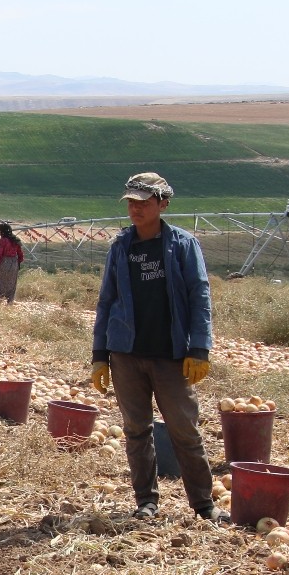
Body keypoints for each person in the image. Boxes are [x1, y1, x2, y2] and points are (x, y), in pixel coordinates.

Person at [91, 172, 223, 522]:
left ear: (163, 204)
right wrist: (99, 356)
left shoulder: (181, 244)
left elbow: (200, 295)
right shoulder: (121, 246)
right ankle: (146, 502)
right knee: (136, 430)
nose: (135, 209)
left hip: (170, 356)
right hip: (126, 355)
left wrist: (200, 348)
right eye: (131, 203)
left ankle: (204, 505)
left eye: (143, 203)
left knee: (185, 430)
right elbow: (106, 301)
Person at [0, 222, 24, 305]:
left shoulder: (3, 241)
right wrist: (17, 263)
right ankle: (10, 302)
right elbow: (21, 255)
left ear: (2, 231)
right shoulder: (16, 240)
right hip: (14, 263)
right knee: (12, 283)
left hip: (3, 263)